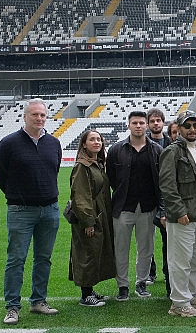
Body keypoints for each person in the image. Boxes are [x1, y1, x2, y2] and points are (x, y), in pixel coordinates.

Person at [0, 98, 61, 325]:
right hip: (21, 210)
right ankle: (12, 307)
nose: (39, 119)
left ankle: (38, 301)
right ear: (25, 116)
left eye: (42, 115)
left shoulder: (53, 143)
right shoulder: (9, 143)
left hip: (50, 210)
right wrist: (17, 195)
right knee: (16, 259)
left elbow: (54, 170)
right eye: (35, 115)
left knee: (43, 258)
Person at [159, 110, 196, 317]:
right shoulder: (173, 151)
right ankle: (178, 302)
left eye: (195, 126)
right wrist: (178, 211)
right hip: (183, 216)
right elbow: (167, 185)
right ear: (179, 129)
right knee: (180, 260)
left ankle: (189, 295)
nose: (192, 129)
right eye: (187, 126)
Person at [106, 111, 163, 301]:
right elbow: (112, 179)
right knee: (120, 248)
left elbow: (161, 180)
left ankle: (141, 282)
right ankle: (123, 285)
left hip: (148, 206)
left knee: (146, 248)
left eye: (141, 123)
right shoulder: (116, 150)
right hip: (123, 207)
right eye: (134, 123)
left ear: (146, 126)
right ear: (128, 125)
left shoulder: (156, 150)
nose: (138, 126)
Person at [68, 130, 116, 307]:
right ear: (84, 144)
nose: (97, 142)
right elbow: (81, 196)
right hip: (89, 217)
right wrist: (88, 221)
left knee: (95, 252)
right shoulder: (82, 166)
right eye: (92, 139)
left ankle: (91, 290)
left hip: (100, 214)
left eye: (99, 139)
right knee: (87, 252)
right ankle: (85, 294)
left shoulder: (97, 163)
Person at [146, 108, 172, 296]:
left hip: (167, 197)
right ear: (148, 124)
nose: (156, 123)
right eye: (153, 121)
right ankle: (150, 272)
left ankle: (167, 271)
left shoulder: (170, 143)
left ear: (163, 122)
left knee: (167, 238)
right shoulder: (142, 144)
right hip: (148, 197)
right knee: (146, 238)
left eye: (158, 120)